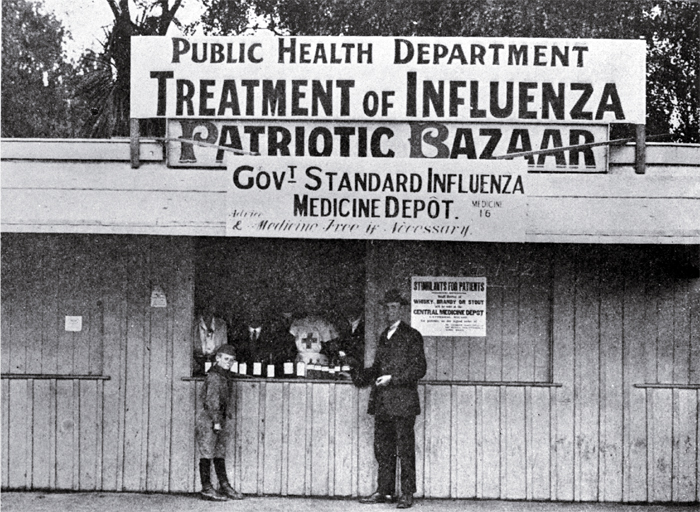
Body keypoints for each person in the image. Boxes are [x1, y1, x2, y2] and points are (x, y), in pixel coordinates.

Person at [350, 289, 426, 509]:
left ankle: (407, 494)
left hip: (403, 403)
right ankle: (385, 491)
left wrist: (392, 379)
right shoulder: (385, 335)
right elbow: (376, 369)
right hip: (383, 403)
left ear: (401, 310)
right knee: (383, 449)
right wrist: (355, 372)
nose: (390, 311)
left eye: (394, 307)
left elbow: (419, 369)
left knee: (405, 449)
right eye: (387, 307)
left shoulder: (412, 335)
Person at [194, 344, 243, 501]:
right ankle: (207, 488)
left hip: (218, 419)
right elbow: (212, 401)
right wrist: (216, 421)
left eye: (232, 361)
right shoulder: (214, 377)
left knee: (219, 452)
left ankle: (224, 485)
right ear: (218, 359)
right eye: (226, 359)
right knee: (207, 452)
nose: (229, 363)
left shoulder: (223, 376)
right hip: (209, 419)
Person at [234, 305, 297, 377]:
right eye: (250, 313)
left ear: (262, 315)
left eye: (257, 313)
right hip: (242, 377)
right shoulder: (238, 335)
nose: (253, 316)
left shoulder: (273, 336)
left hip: (266, 377)